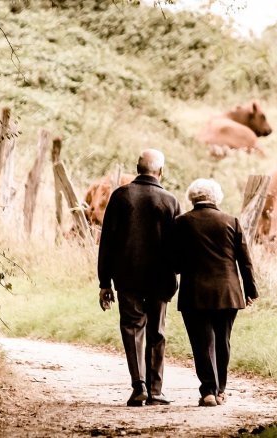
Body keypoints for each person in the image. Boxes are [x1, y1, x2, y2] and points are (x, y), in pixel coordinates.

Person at [97, 149, 182, 407]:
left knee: (132, 329)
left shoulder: (121, 196)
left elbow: (107, 242)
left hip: (127, 277)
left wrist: (104, 282)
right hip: (160, 278)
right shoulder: (170, 200)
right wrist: (176, 272)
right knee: (157, 331)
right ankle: (156, 391)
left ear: (137, 168)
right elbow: (178, 246)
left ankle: (139, 387)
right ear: (161, 172)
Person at [173, 178, 258, 407]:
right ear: (216, 198)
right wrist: (250, 290)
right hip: (228, 292)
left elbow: (174, 262)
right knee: (223, 340)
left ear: (192, 197)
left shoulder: (181, 223)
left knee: (201, 342)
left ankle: (208, 391)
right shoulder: (232, 222)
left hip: (194, 293)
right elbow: (245, 262)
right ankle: (220, 390)